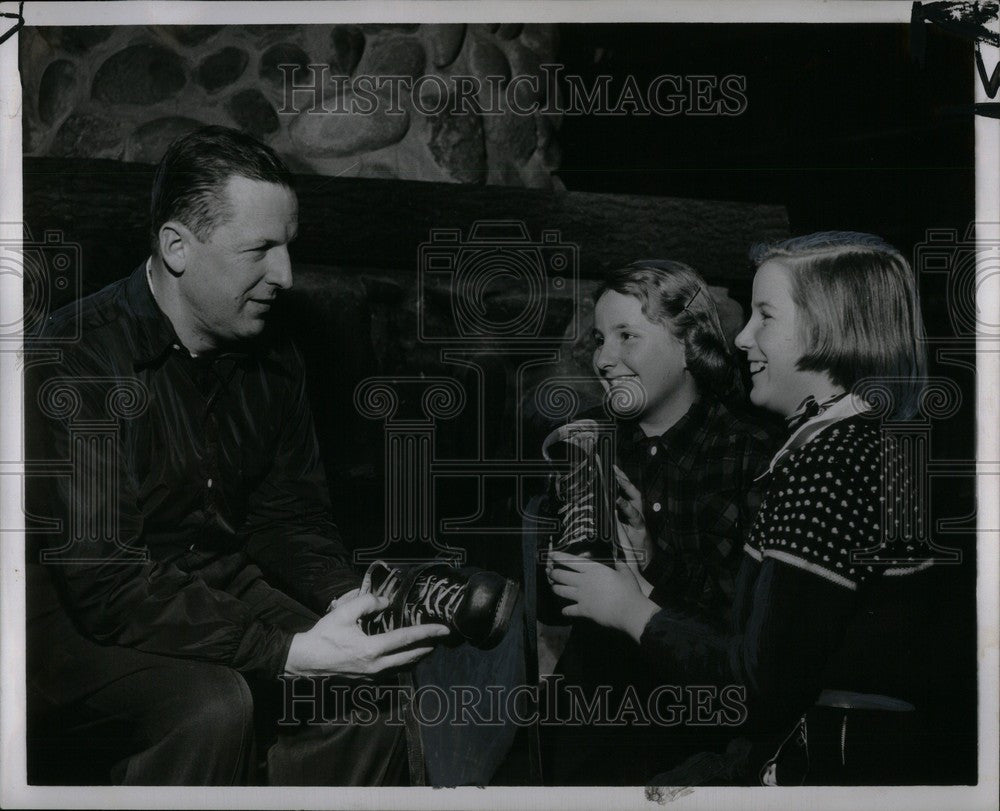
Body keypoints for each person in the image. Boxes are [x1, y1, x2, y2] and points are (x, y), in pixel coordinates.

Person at [24, 125, 515, 786]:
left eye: (287, 247)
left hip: (214, 583)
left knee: (366, 683)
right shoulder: (79, 356)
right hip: (66, 617)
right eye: (259, 250)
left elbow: (289, 516)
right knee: (212, 705)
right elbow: (107, 580)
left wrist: (350, 599)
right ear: (177, 247)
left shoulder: (273, 350)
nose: (283, 275)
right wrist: (285, 650)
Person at [548, 233, 935, 785]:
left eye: (765, 316)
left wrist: (631, 611)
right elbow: (767, 639)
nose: (744, 336)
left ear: (829, 327)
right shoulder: (855, 444)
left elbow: (758, 688)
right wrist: (649, 573)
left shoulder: (829, 463)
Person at [537, 260, 780, 785]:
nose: (603, 359)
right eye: (601, 339)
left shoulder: (752, 454)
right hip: (593, 718)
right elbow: (551, 604)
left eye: (628, 335)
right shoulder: (594, 446)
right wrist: (570, 529)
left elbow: (753, 635)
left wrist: (653, 564)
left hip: (700, 731)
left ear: (690, 343)